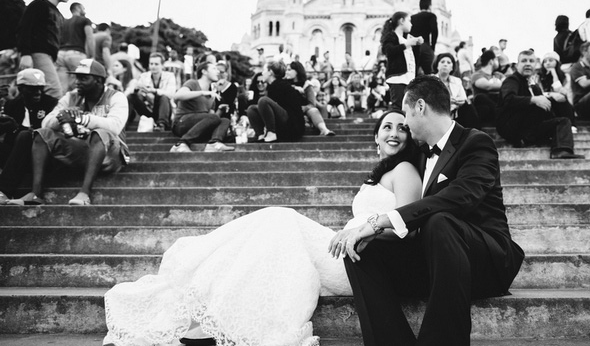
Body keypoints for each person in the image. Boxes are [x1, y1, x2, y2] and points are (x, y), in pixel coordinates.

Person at [102, 110, 421, 346]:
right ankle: (219, 320)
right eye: (387, 126)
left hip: (362, 257)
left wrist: (366, 229)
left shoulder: (405, 169)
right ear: (376, 136)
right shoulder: (380, 173)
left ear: (410, 137)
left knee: (279, 218)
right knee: (275, 225)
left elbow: (409, 226)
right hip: (347, 247)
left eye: (402, 127)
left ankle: (220, 322)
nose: (394, 132)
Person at [338, 75, 524, 346]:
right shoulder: (420, 155)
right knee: (359, 249)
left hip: (484, 261)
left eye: (405, 114)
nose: (404, 123)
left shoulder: (476, 143)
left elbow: (460, 198)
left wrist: (382, 221)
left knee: (440, 221)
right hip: (435, 263)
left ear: (420, 107)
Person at [6, 59, 129, 206]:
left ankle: (84, 193)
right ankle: (35, 194)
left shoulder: (116, 96)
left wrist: (80, 119)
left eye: (84, 78)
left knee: (100, 133)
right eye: (77, 77)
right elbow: (46, 122)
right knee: (42, 133)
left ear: (98, 80)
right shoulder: (71, 96)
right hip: (83, 151)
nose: (77, 82)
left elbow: (114, 126)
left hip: (111, 155)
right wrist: (62, 118)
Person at [497, 50, 585, 160]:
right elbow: (508, 99)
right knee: (542, 101)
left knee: (562, 119)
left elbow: (544, 105)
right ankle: (528, 139)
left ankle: (562, 151)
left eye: (531, 61)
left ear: (535, 65)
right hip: (511, 126)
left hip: (529, 127)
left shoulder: (533, 85)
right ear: (517, 65)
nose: (528, 64)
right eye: (524, 61)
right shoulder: (512, 80)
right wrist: (533, 99)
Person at [0, 69, 59, 203]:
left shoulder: (51, 104)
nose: (38, 92)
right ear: (21, 89)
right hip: (15, 156)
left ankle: (3, 190)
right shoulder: (12, 105)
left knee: (25, 135)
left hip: (42, 158)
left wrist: (16, 128)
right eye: (32, 89)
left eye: (40, 88)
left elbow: (45, 134)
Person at [16, 0, 74, 99]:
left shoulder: (59, 15)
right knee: (53, 91)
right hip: (37, 53)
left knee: (39, 92)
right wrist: (25, 53)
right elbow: (25, 27)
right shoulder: (41, 5)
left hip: (51, 57)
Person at [170, 62, 236, 153]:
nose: (218, 72)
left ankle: (214, 143)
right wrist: (202, 92)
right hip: (181, 123)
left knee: (225, 120)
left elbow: (212, 118)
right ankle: (181, 144)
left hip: (198, 126)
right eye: (214, 69)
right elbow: (177, 96)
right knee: (214, 118)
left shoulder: (212, 93)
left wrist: (220, 110)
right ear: (204, 71)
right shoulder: (193, 83)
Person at [246, 60, 305, 143]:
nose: (262, 73)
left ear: (270, 72)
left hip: (292, 126)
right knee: (252, 109)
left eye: (264, 70)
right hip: (284, 120)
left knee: (263, 101)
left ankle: (271, 133)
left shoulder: (280, 85)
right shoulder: (273, 86)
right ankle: (260, 135)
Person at [381, 11, 422, 108]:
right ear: (402, 21)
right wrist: (408, 44)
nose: (411, 24)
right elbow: (389, 51)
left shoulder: (405, 39)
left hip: (409, 78)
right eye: (409, 21)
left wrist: (417, 44)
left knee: (408, 107)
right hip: (397, 78)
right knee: (398, 106)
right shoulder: (392, 36)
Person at [286, 60, 335, 136]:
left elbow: (312, 104)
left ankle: (324, 130)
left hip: (305, 109)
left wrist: (301, 108)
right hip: (289, 110)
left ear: (297, 71)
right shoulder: (284, 84)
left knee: (313, 110)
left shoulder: (307, 84)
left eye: (289, 70)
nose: (287, 72)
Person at [130, 53, 177, 131]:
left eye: (156, 64)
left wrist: (154, 91)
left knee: (164, 97)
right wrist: (136, 90)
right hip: (148, 108)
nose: (153, 66)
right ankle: (126, 121)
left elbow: (171, 94)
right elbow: (134, 91)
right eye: (151, 64)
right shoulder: (144, 76)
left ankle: (162, 125)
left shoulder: (170, 76)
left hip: (164, 110)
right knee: (131, 96)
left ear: (162, 65)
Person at [433, 52, 480, 129]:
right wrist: (448, 100)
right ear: (437, 65)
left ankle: (475, 133)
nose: (445, 64)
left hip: (454, 111)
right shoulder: (431, 80)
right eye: (442, 62)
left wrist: (457, 101)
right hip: (438, 112)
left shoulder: (457, 81)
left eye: (448, 62)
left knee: (468, 105)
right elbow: (430, 99)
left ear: (452, 67)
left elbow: (463, 98)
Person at [57, 2, 94, 94]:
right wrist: (92, 56)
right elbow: (90, 38)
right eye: (83, 8)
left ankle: (60, 106)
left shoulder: (63, 22)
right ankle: (77, 107)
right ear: (78, 8)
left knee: (61, 87)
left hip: (60, 54)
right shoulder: (85, 20)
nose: (84, 11)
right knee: (79, 85)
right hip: (76, 54)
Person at [537, 51, 577, 130]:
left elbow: (561, 91)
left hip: (560, 102)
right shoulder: (538, 77)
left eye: (551, 60)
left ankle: (570, 125)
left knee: (562, 99)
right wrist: (551, 94)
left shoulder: (565, 76)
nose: (548, 63)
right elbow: (538, 93)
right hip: (544, 101)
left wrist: (554, 74)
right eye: (545, 61)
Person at [471, 49, 503, 125]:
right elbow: (488, 86)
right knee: (480, 98)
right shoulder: (477, 75)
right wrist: (503, 85)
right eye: (496, 59)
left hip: (499, 102)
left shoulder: (498, 74)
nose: (498, 62)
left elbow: (509, 84)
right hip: (485, 108)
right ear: (491, 61)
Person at [410, 0, 438, 74]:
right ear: (429, 6)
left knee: (414, 72)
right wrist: (432, 47)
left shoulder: (412, 17)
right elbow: (434, 31)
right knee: (429, 72)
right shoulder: (431, 16)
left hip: (413, 46)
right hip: (425, 45)